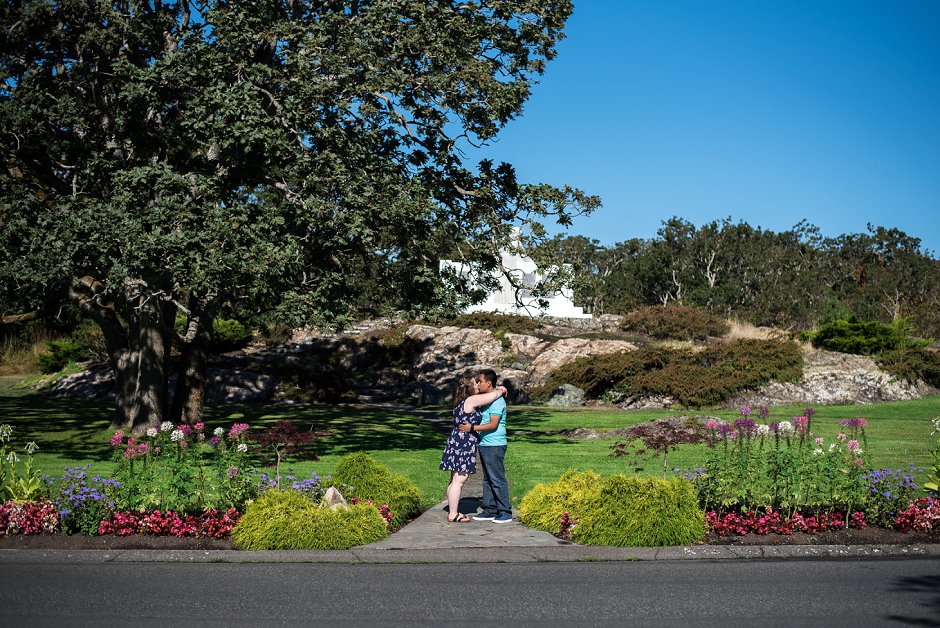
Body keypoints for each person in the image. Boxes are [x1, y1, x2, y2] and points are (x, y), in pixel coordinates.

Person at [439, 374, 507, 522]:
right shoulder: (471, 400)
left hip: (456, 441)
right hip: (463, 443)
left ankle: (452, 510)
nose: (478, 385)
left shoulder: (461, 402)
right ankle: (453, 513)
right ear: (470, 388)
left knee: (453, 479)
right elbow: (493, 395)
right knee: (459, 480)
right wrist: (502, 390)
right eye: (476, 384)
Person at [459, 369, 512, 523]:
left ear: (489, 383)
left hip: (494, 444)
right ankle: (490, 509)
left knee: (497, 478)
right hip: (485, 443)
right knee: (487, 478)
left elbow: (493, 424)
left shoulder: (497, 401)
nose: (479, 383)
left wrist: (472, 428)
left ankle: (505, 511)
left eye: (481, 381)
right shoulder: (487, 398)